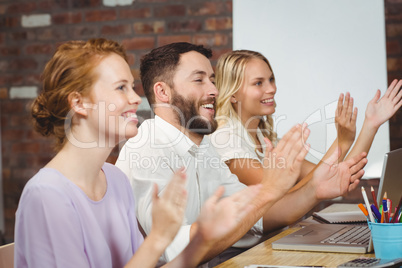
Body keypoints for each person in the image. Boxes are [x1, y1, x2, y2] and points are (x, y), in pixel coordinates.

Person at [14, 38, 261, 268]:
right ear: (78, 103)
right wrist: (158, 239)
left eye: (132, 87)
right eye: (121, 88)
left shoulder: (115, 180)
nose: (135, 98)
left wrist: (203, 237)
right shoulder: (47, 196)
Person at [115, 42, 368, 266]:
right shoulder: (145, 148)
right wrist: (268, 192)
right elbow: (174, 248)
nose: (214, 90)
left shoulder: (204, 147)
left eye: (212, 80)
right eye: (199, 80)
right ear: (163, 92)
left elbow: (257, 217)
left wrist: (315, 191)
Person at [211, 49, 402, 188]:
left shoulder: (264, 137)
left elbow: (335, 177)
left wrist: (371, 124)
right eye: (258, 83)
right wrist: (342, 141)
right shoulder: (227, 138)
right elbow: (284, 200)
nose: (271, 89)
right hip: (249, 245)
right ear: (233, 94)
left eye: (271, 79)